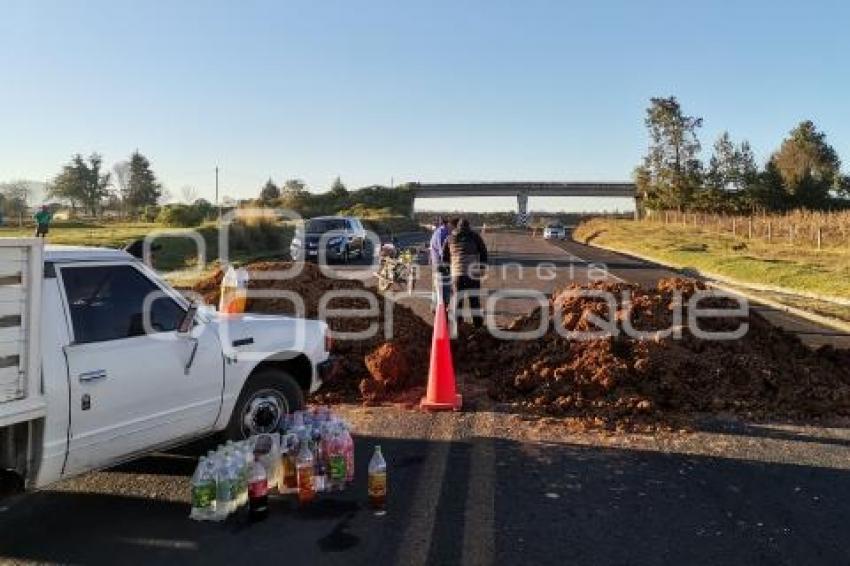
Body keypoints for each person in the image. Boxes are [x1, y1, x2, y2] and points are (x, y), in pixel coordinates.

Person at [442, 218, 488, 329]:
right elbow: (483, 252)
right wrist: (482, 268)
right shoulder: (475, 236)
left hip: (457, 275)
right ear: (469, 226)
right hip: (473, 274)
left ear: (458, 227)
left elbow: (444, 258)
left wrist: (449, 270)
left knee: (458, 302)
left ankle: (458, 327)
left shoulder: (449, 238)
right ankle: (478, 326)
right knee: (474, 301)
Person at [428, 216, 452, 309]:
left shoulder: (438, 232)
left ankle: (435, 306)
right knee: (445, 285)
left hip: (436, 262)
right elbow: (443, 250)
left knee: (437, 285)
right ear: (447, 223)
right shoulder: (443, 232)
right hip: (442, 262)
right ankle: (442, 306)